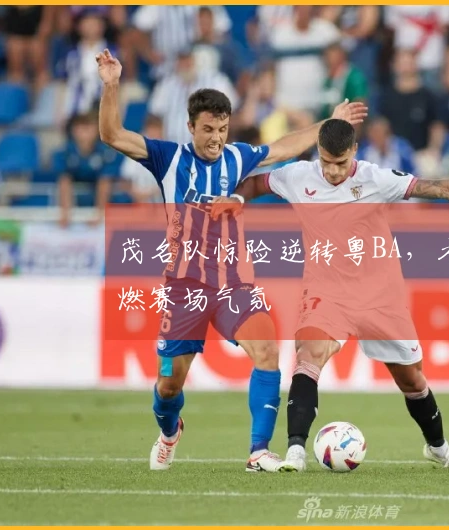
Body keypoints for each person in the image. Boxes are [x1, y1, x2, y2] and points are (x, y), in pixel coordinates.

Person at [213, 119, 449, 472]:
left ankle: (439, 449)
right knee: (308, 356)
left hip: (379, 293)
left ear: (354, 151)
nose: (333, 171)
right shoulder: (298, 176)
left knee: (411, 379)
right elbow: (255, 183)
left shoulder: (375, 179)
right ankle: (296, 450)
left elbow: (438, 188)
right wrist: (235, 198)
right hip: (326, 290)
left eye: (341, 163)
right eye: (326, 162)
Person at [95, 49, 367, 473]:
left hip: (232, 284)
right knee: (169, 386)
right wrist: (111, 84)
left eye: (222, 128)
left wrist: (330, 124)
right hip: (183, 288)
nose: (216, 138)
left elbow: (284, 148)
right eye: (208, 129)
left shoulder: (237, 157)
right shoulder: (168, 159)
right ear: (190, 127)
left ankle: (259, 452)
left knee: (267, 350)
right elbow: (112, 134)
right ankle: (170, 432)